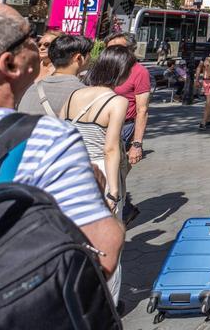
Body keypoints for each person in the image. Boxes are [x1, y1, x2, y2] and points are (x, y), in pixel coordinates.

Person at [0, 0, 123, 283]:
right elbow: (103, 254)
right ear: (10, 64)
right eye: (29, 38)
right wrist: (101, 197)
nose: (40, 45)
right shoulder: (46, 139)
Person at [62, 45, 131, 304]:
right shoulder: (116, 101)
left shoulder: (74, 96)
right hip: (101, 170)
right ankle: (108, 304)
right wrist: (113, 191)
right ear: (120, 72)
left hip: (71, 167)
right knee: (108, 240)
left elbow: (63, 130)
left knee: (75, 236)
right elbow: (111, 148)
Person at [113, 42, 151, 224]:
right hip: (100, 126)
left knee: (114, 173)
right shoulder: (106, 67)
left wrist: (137, 144)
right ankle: (124, 207)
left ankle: (119, 212)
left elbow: (142, 110)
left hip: (124, 127)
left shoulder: (139, 71)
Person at [18, 33, 90, 117]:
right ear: (78, 58)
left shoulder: (31, 89)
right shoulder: (85, 93)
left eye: (47, 45)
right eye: (89, 54)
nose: (42, 47)